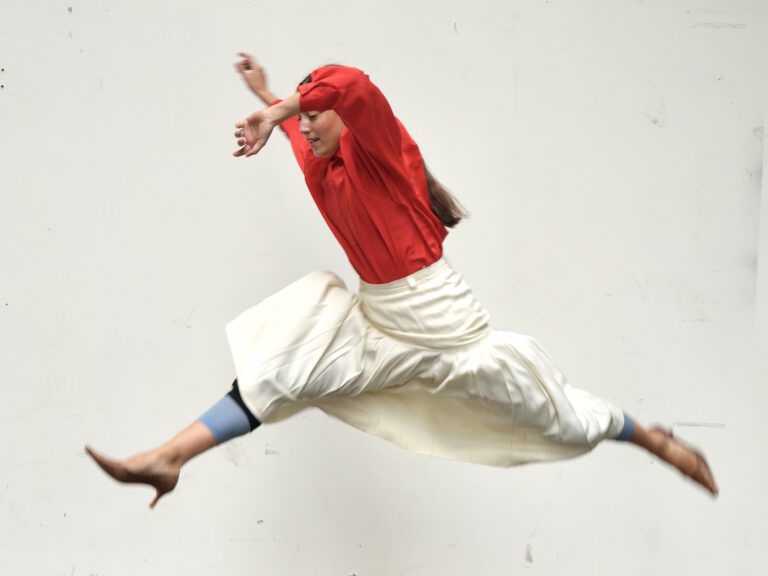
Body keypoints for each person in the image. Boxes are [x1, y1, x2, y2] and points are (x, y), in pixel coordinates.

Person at [85, 53, 718, 508]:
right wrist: (271, 100)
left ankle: (650, 438)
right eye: (303, 120)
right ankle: (168, 458)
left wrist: (281, 101)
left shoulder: (385, 159)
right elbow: (302, 131)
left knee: (558, 416)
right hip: (379, 320)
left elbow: (354, 83)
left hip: (445, 329)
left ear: (346, 122)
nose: (306, 126)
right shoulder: (321, 166)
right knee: (286, 366)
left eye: (316, 115)